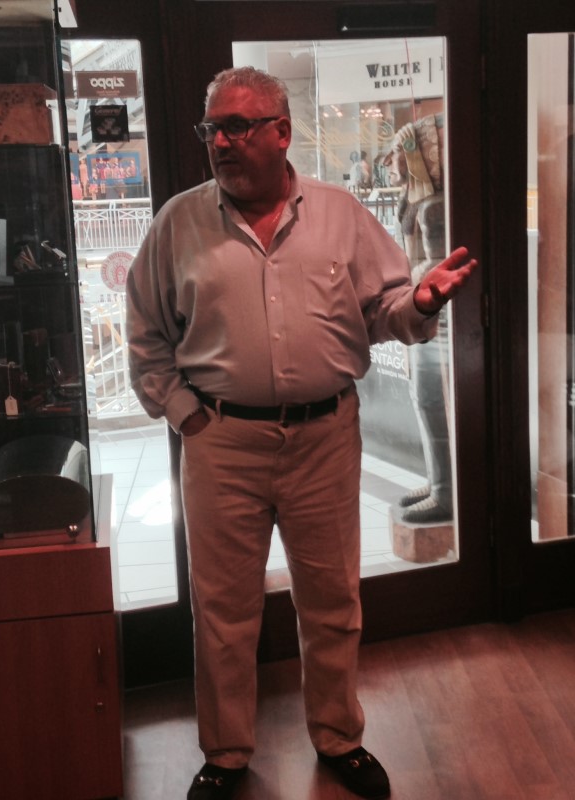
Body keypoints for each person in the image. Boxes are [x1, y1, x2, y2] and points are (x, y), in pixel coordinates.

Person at [126, 66, 477, 800]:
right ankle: (226, 753)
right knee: (223, 610)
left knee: (331, 601)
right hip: (222, 444)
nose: (221, 142)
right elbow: (146, 337)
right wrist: (187, 416)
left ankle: (339, 737)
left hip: (324, 439)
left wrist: (419, 303)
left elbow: (384, 309)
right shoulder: (178, 225)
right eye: (212, 128)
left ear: (281, 132)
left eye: (237, 126)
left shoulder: (342, 215)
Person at [384, 114, 453, 524]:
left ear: (415, 154)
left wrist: (402, 279)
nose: (389, 162)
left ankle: (446, 491)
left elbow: (436, 265)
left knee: (434, 404)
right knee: (425, 403)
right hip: (420, 314)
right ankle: (438, 480)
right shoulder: (415, 201)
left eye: (397, 151)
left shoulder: (432, 207)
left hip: (438, 322)